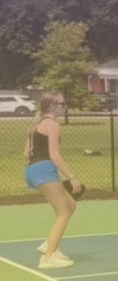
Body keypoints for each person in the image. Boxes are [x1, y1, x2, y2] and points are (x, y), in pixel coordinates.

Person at [22, 91, 80, 268]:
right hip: (43, 169)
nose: (64, 107)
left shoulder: (37, 123)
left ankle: (49, 245)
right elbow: (54, 155)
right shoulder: (52, 125)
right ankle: (48, 257)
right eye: (62, 104)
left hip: (31, 169)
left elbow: (26, 152)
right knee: (63, 213)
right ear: (52, 106)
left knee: (70, 205)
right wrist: (72, 177)